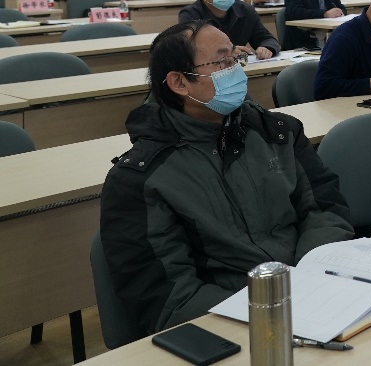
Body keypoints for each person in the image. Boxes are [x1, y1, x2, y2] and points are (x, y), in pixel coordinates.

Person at [100, 21, 353, 334]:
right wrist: (270, 308)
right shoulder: (140, 178)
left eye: (236, 58)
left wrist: (313, 274)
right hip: (235, 322)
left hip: (315, 293)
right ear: (179, 82)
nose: (236, 71)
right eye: (222, 62)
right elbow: (167, 298)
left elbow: (325, 208)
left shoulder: (278, 132)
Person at [178, 0, 280, 60]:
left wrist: (267, 48)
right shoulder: (191, 14)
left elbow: (266, 38)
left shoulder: (245, 10)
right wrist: (226, 51)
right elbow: (190, 49)